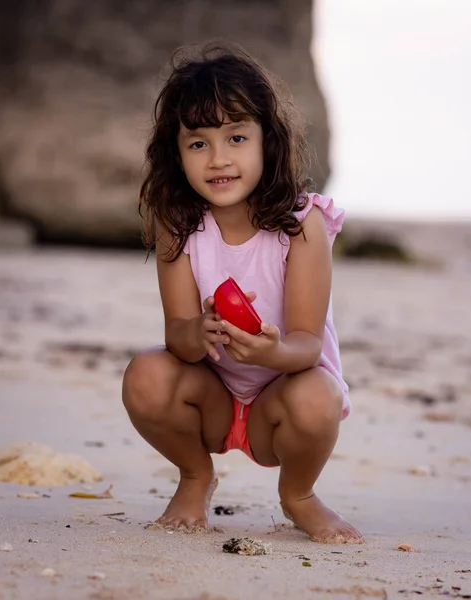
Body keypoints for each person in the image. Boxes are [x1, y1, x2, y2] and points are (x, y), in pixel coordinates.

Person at [122, 41, 363, 545]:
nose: (218, 159)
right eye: (198, 143)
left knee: (320, 394)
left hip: (282, 406)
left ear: (266, 141)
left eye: (235, 137)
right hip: (210, 400)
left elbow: (307, 344)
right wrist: (198, 330)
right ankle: (194, 475)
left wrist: (273, 350)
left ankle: (298, 496)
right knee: (145, 374)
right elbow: (177, 338)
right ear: (177, 153)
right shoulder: (179, 226)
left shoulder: (302, 226)